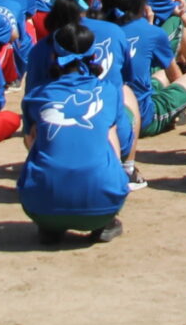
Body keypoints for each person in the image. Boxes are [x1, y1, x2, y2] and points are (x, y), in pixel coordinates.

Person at [18, 21, 132, 243]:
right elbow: (119, 142)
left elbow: (29, 142)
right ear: (93, 56)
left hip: (41, 206)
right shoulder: (108, 91)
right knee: (109, 135)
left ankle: (52, 221)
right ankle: (104, 222)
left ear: (53, 56)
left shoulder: (38, 95)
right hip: (102, 203)